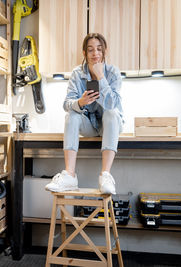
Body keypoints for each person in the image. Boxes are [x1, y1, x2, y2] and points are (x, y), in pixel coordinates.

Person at [45, 33, 123, 194]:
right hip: (89, 124)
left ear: (104, 51)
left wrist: (100, 76)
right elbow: (66, 104)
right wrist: (80, 102)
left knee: (111, 112)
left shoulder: (112, 72)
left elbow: (111, 104)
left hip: (110, 125)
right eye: (91, 50)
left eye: (99, 49)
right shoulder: (77, 74)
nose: (95, 53)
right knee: (72, 114)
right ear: (84, 53)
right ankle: (70, 176)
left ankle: (106, 175)